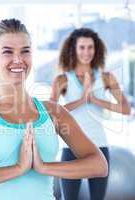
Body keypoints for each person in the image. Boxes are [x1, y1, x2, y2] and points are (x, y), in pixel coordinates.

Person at [0, 19, 108, 200]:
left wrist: (44, 167)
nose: (18, 59)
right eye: (7, 52)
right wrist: (18, 169)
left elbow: (99, 165)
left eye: (25, 51)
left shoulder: (54, 112)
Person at [50, 28, 131, 200]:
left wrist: (95, 100)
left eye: (90, 47)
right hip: (70, 147)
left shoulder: (107, 77)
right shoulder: (62, 80)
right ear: (73, 49)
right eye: (82, 47)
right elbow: (51, 113)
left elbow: (126, 109)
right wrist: (82, 100)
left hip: (99, 146)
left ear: (96, 49)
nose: (86, 52)